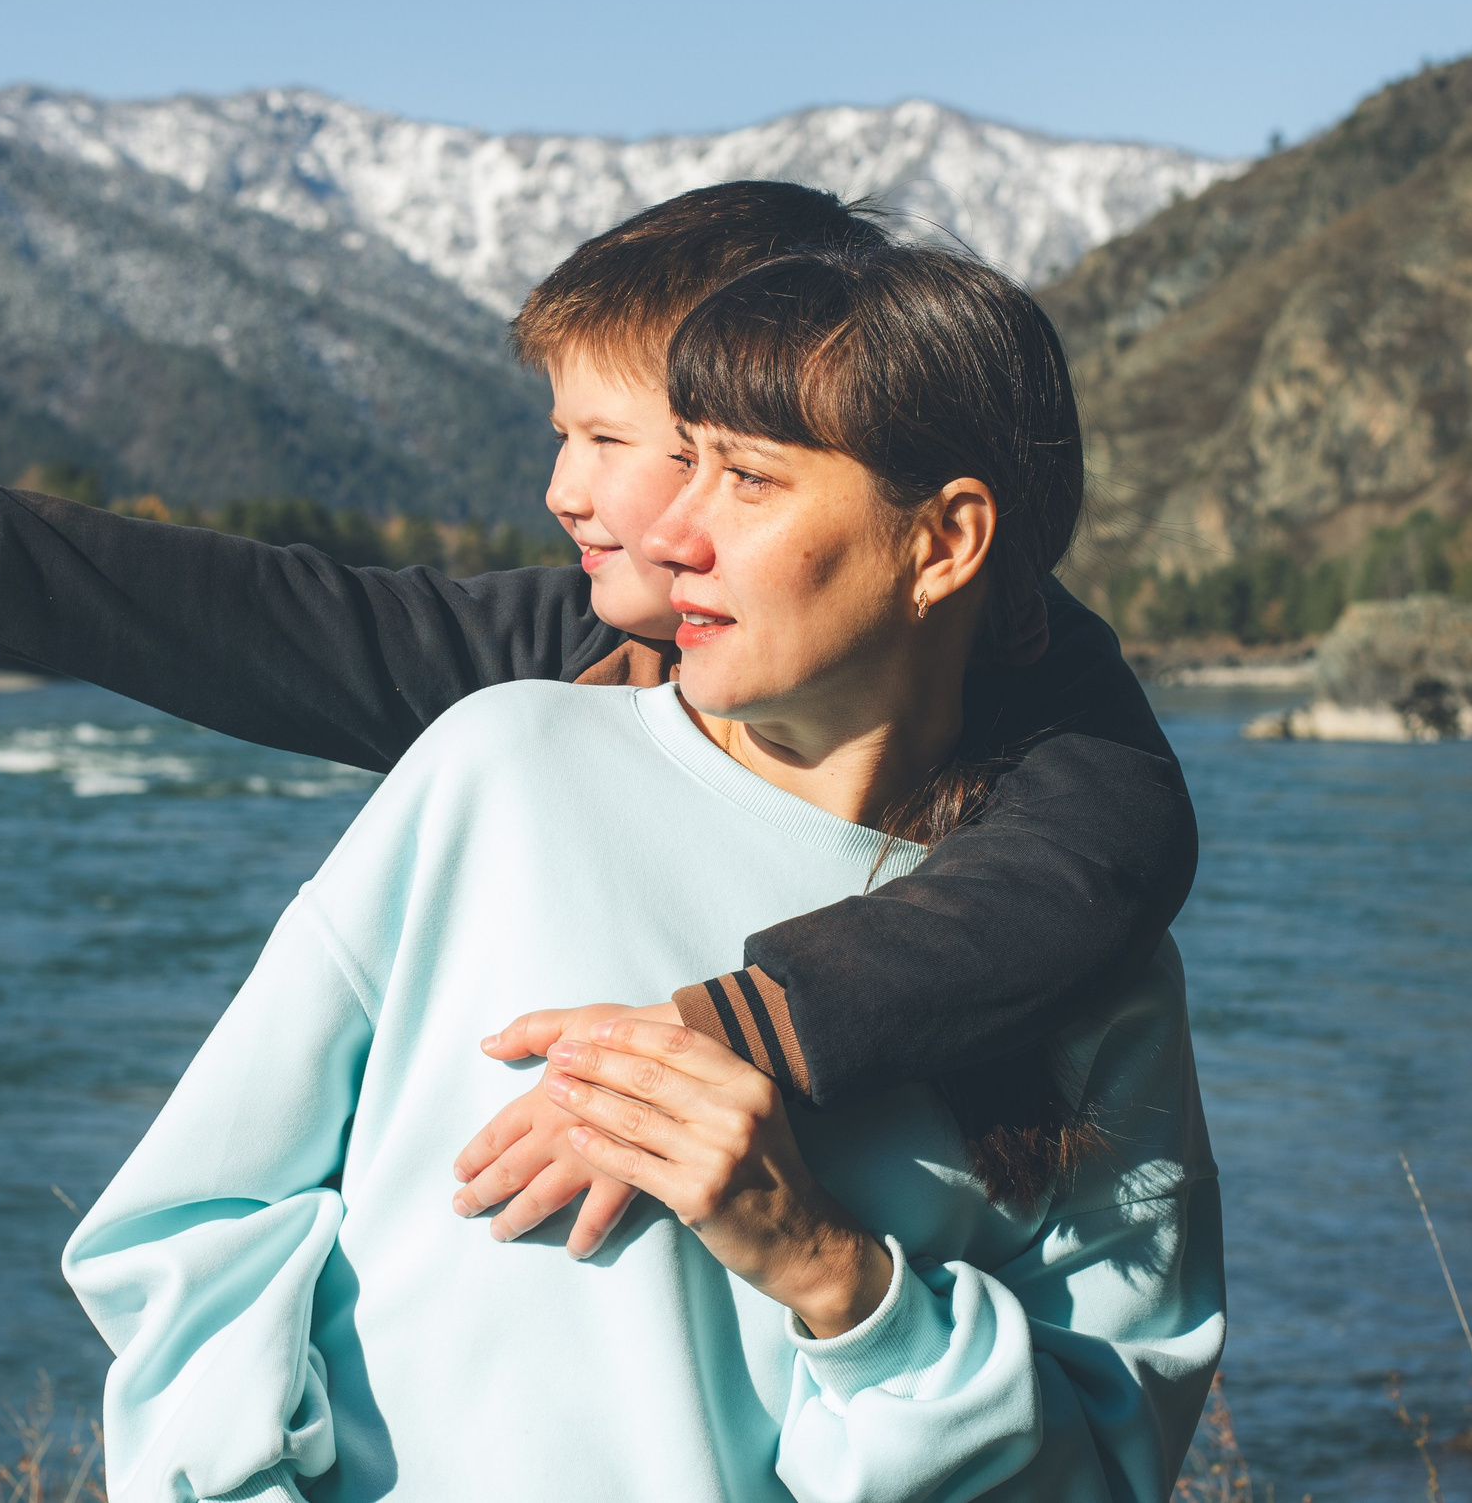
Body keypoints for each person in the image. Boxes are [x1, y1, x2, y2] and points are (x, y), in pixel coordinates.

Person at [0, 182, 1197, 1256]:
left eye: (617, 436)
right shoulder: (549, 685)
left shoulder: (1049, 704)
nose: (567, 486)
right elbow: (287, 622)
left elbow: (1083, 866)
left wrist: (735, 1036)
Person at [62, 243, 1222, 1502]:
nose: (669, 536)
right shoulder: (497, 767)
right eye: (686, 462)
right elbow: (189, 1237)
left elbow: (1103, 1473)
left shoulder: (1101, 981)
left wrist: (842, 1284)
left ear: (943, 542)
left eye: (749, 479)